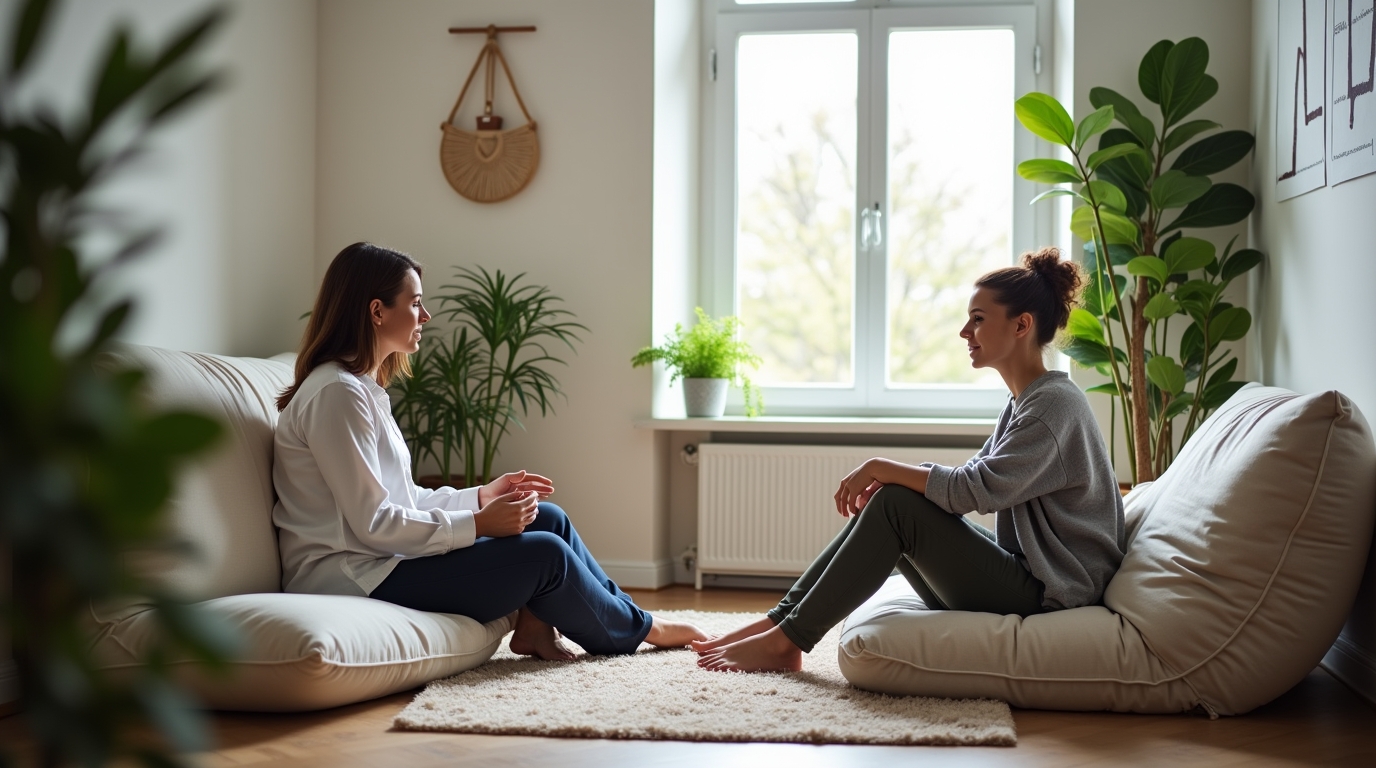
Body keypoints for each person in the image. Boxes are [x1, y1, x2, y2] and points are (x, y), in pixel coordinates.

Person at [693, 247, 1126, 672]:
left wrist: (882, 467)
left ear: (1022, 325)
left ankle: (787, 640)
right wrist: (897, 478)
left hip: (1052, 594)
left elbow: (976, 490)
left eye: (977, 319)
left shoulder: (1054, 407)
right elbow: (966, 481)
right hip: (1032, 577)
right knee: (896, 500)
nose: (964, 332)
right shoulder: (1028, 402)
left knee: (897, 505)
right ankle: (781, 624)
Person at [272, 242, 705, 659]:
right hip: (353, 577)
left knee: (546, 517)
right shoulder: (337, 395)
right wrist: (478, 524)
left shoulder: (361, 391)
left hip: (381, 561)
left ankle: (540, 627)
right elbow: (374, 524)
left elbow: (402, 500)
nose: (426, 314)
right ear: (377, 310)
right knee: (546, 556)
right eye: (416, 302)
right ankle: (644, 630)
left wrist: (483, 496)